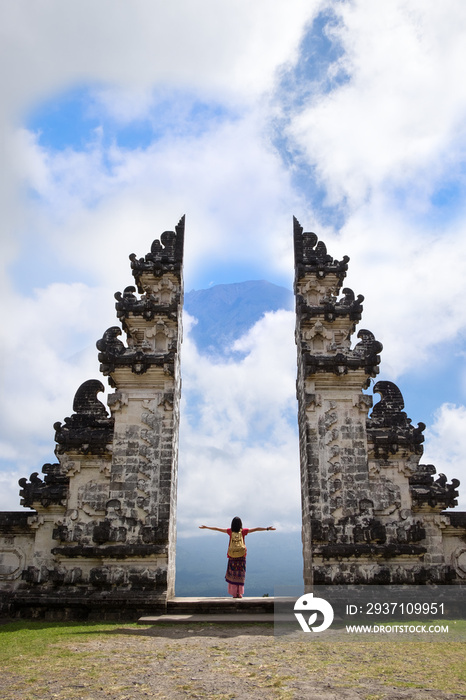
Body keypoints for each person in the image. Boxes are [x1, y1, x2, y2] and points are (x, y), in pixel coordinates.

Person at [199, 516, 276, 598]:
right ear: (240, 524)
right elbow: (256, 529)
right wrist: (267, 528)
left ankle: (234, 593)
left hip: (232, 556)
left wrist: (206, 527)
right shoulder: (243, 531)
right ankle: (239, 593)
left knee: (233, 575)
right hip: (241, 557)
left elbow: (217, 529)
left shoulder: (230, 531)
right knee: (240, 575)